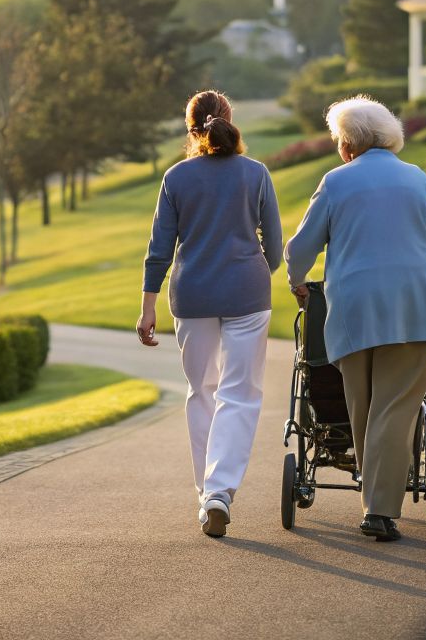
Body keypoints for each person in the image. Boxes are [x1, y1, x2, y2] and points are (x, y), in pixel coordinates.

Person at [284, 97, 426, 542]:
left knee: (362, 406)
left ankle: (375, 501)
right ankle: (378, 509)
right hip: (413, 305)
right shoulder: (418, 179)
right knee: (396, 405)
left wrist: (298, 282)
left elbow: (299, 250)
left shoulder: (336, 182)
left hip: (353, 309)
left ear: (346, 145)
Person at [137, 90, 284, 538]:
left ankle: (207, 495)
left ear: (191, 129)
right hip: (247, 294)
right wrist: (257, 267)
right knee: (239, 393)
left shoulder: (176, 177)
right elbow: (274, 248)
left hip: (193, 296)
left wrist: (147, 308)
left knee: (201, 391)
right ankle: (220, 491)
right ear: (230, 121)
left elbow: (160, 249)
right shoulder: (256, 174)